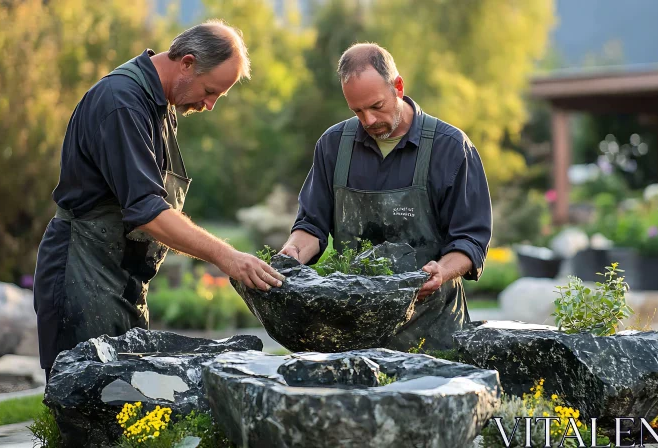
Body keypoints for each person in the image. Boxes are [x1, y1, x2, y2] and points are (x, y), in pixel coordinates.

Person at [34, 20, 284, 380]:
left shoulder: (160, 104)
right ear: (186, 63)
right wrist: (228, 257)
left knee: (128, 409)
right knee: (85, 411)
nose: (210, 105)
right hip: (82, 279)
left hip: (118, 280)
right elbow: (148, 212)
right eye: (210, 90)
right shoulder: (121, 103)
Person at [280, 43, 492, 352]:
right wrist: (292, 252)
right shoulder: (333, 146)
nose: (367, 120)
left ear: (398, 87)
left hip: (433, 332)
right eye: (357, 110)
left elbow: (471, 240)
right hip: (355, 333)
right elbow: (311, 225)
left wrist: (441, 271)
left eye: (376, 106)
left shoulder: (450, 147)